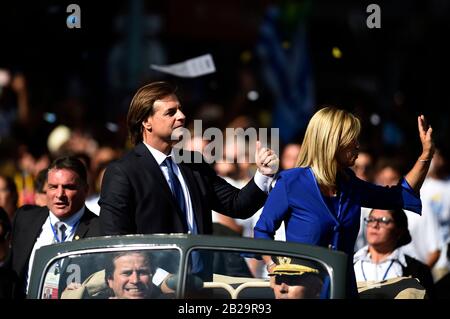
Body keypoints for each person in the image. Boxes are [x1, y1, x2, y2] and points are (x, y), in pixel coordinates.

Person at [254, 106, 434, 297]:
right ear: (332, 142)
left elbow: (399, 195)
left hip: (344, 291)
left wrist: (426, 155)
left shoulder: (351, 184)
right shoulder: (291, 182)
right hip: (304, 293)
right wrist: (274, 267)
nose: (358, 145)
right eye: (352, 139)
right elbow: (262, 231)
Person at [99, 81, 279, 236]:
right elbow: (115, 237)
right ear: (146, 122)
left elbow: (237, 205)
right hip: (150, 275)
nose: (182, 116)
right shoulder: (123, 172)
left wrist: (263, 173)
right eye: (171, 113)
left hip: (198, 275)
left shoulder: (194, 163)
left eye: (180, 109)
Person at [7, 156, 101, 298]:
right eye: (53, 187)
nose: (59, 194)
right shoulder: (25, 219)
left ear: (85, 190)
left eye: (68, 187)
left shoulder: (100, 231)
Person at [353, 208, 435, 298]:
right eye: (371, 219)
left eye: (383, 221)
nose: (375, 225)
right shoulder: (347, 263)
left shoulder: (418, 271)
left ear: (399, 230)